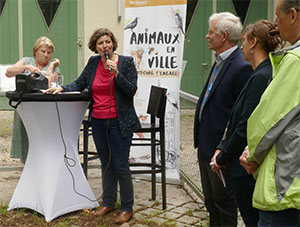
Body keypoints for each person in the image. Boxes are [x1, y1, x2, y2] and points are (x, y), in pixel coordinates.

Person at [45, 28, 140, 224]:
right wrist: (61, 87)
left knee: (120, 164)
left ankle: (127, 207)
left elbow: (131, 91)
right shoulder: (93, 62)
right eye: (100, 43)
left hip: (119, 122)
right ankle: (108, 202)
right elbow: (80, 83)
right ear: (95, 47)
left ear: (112, 43)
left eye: (107, 42)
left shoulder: (126, 63)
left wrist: (116, 74)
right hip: (98, 120)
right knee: (106, 163)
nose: (105, 46)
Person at [210, 20, 282, 226]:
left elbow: (245, 126)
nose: (241, 46)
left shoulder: (262, 76)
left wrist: (222, 156)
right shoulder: (258, 73)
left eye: (244, 41)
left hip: (244, 169)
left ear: (254, 42)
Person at [239, 0, 300, 226]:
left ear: (292, 15)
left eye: (278, 15)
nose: (275, 22)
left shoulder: (295, 61)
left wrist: (251, 155)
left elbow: (267, 121)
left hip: (285, 188)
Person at [193, 12, 252, 226]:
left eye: (211, 33)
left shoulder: (241, 66)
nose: (207, 37)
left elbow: (240, 116)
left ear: (223, 36)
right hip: (206, 147)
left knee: (224, 204)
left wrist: (225, 150)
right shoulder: (219, 61)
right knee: (211, 202)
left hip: (222, 152)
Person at [6, 36, 60, 164]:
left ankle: (42, 165)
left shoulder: (53, 67)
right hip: (25, 106)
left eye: (49, 52)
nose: (46, 55)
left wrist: (52, 65)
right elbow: (9, 72)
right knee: (26, 136)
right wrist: (27, 68)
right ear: (35, 51)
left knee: (42, 137)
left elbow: (48, 82)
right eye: (43, 51)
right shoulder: (27, 61)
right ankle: (27, 166)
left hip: (44, 108)